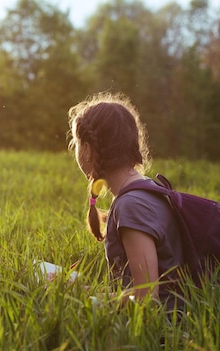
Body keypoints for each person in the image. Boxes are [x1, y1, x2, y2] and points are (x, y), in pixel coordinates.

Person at [68, 92, 185, 311]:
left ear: (88, 150)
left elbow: (146, 298)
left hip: (162, 331)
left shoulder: (131, 206)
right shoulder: (149, 189)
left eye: (76, 142)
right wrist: (85, 291)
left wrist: (83, 300)